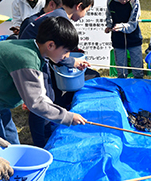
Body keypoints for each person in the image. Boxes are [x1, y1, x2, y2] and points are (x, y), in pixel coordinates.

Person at [0, 17, 87, 147]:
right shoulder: (27, 61)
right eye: (66, 51)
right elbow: (36, 103)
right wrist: (67, 117)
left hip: (1, 105)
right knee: (3, 150)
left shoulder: (33, 49)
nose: (67, 56)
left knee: (12, 144)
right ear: (50, 45)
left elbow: (40, 95)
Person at [19, 0, 94, 148]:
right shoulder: (61, 20)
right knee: (41, 101)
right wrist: (71, 61)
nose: (85, 15)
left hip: (39, 56)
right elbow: (56, 51)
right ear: (79, 6)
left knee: (49, 97)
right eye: (87, 10)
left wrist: (72, 62)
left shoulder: (57, 14)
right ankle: (41, 143)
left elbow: (56, 52)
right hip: (32, 60)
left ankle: (46, 132)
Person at [105, 0, 143, 79]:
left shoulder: (134, 2)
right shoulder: (110, 2)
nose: (124, 1)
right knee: (121, 71)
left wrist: (122, 26)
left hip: (134, 37)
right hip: (118, 39)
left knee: (138, 69)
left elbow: (133, 22)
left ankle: (139, 86)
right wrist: (109, 25)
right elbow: (109, 15)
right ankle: (122, 87)